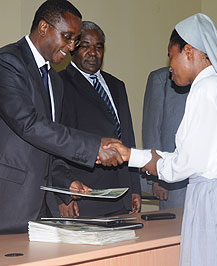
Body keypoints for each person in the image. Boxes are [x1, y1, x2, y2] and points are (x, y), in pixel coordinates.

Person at [0, 0, 123, 237]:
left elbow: (48, 143)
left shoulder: (55, 81)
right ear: (43, 27)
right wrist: (94, 147)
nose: (71, 47)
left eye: (74, 40)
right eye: (67, 37)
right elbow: (29, 125)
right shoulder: (7, 63)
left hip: (29, 210)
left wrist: (64, 182)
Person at [108, 13, 217, 266]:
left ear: (188, 51)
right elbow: (197, 155)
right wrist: (132, 155)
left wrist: (158, 166)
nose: (170, 65)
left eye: (171, 55)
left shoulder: (205, 90)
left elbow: (186, 163)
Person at [55, 21, 141, 218]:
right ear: (72, 48)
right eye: (85, 46)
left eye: (99, 47)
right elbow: (55, 143)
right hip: (83, 195)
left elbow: (127, 136)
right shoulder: (59, 83)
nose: (93, 53)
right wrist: (63, 195)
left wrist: (134, 185)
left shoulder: (117, 85)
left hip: (121, 193)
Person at [142, 67, 190, 209]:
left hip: (207, 178)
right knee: (177, 228)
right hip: (172, 181)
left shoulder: (214, 79)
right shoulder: (161, 79)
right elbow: (152, 130)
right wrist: (158, 178)